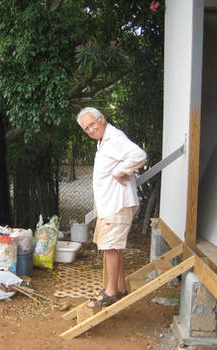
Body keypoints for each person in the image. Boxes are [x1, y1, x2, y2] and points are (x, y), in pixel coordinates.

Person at [77, 107, 146, 308]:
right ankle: (121, 287)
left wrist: (120, 171)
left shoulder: (114, 138)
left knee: (110, 248)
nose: (90, 129)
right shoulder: (103, 140)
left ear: (102, 119)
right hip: (110, 204)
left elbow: (139, 155)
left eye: (92, 124)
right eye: (86, 128)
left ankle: (110, 292)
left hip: (117, 203)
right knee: (114, 247)